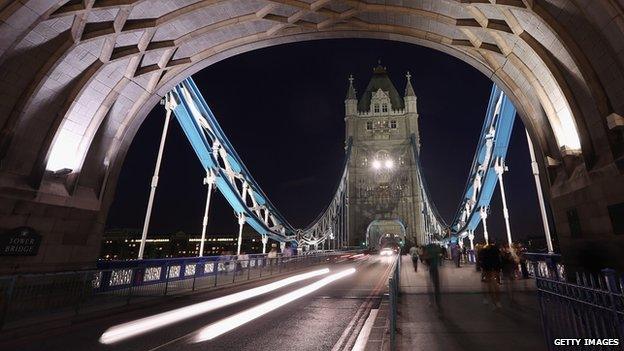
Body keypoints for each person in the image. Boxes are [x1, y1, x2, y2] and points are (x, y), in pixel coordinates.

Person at [480, 243, 503, 309]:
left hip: (487, 268)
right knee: (495, 284)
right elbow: (499, 259)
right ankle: (498, 301)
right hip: (495, 268)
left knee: (489, 285)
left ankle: (494, 302)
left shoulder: (485, 250)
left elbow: (482, 260)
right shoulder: (496, 250)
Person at [422, 243, 442, 310]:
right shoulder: (435, 253)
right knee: (436, 286)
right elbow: (439, 258)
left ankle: (432, 301)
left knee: (431, 286)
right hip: (435, 269)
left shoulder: (428, 253)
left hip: (431, 270)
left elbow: (425, 260)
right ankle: (437, 302)